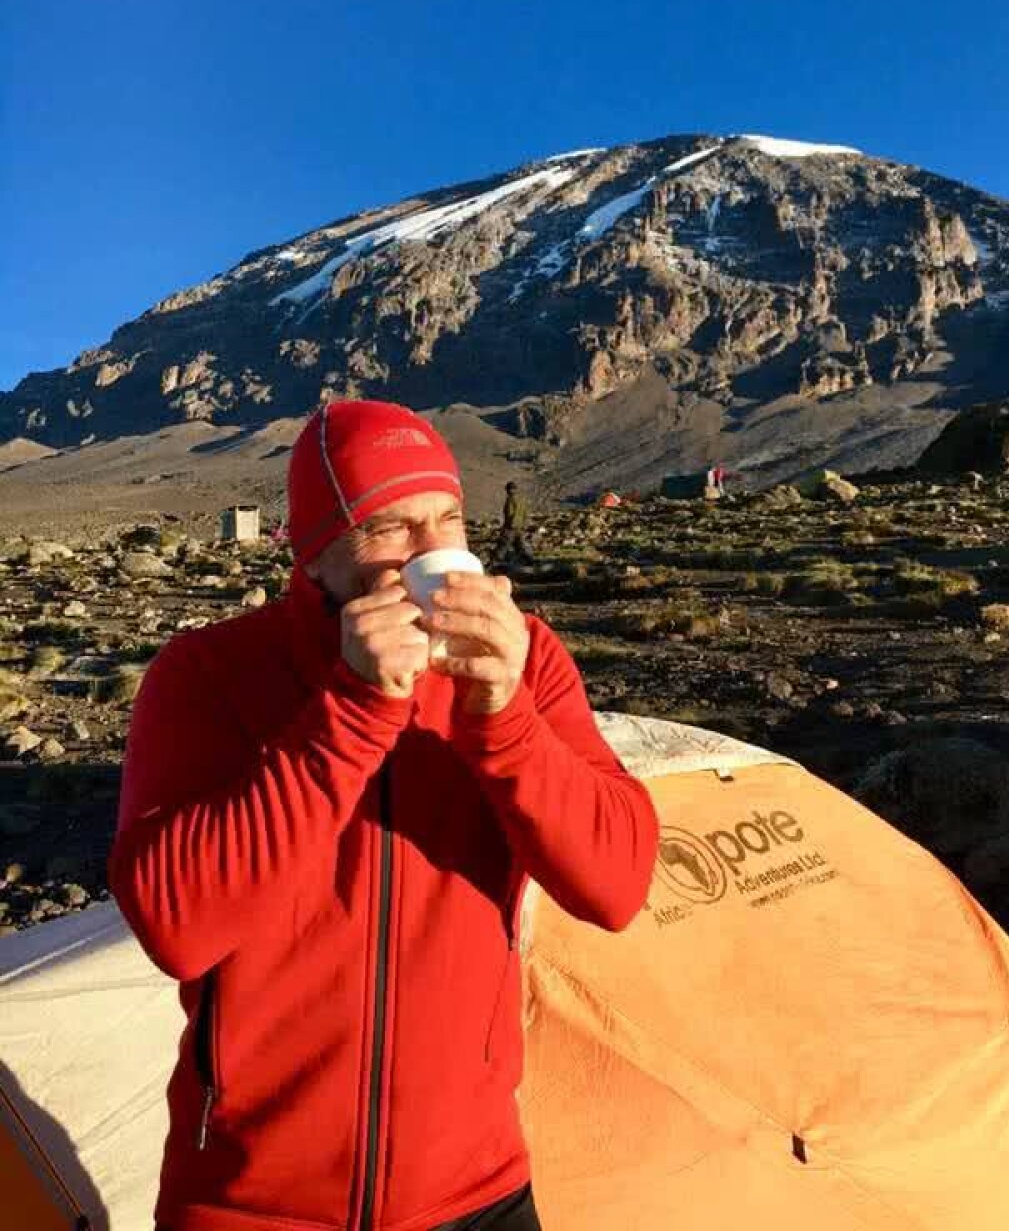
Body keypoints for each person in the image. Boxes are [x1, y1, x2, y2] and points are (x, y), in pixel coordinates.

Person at [109, 398, 660, 1231]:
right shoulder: (209, 673)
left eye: (448, 519)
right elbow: (176, 924)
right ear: (317, 552)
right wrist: (355, 710)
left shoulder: (527, 656)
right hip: (251, 1206)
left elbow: (616, 886)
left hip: (477, 1193)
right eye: (392, 530)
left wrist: (505, 716)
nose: (436, 553)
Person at [494, 480, 533, 565]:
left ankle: (496, 564)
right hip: (520, 528)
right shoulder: (522, 500)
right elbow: (525, 513)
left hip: (511, 528)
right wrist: (523, 525)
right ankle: (528, 562)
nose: (507, 492)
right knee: (520, 547)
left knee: (503, 546)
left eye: (508, 490)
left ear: (510, 490)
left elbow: (510, 513)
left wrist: (507, 527)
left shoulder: (510, 500)